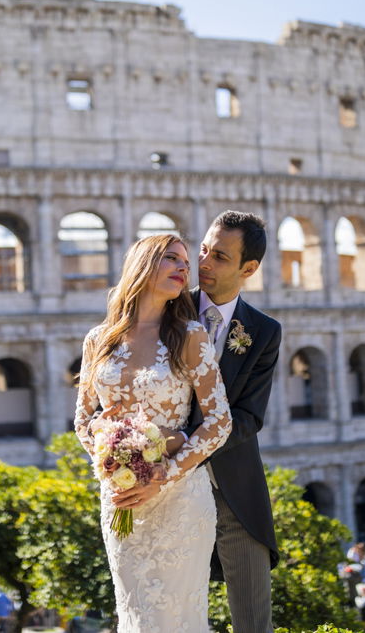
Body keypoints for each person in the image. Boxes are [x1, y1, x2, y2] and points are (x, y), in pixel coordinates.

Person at [75, 233, 233, 632]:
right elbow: (83, 420)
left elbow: (219, 422)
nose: (184, 267)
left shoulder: (190, 335)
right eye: (171, 258)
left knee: (177, 617)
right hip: (122, 497)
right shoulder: (99, 340)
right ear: (143, 264)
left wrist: (163, 474)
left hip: (180, 499)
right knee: (135, 615)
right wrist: (108, 453)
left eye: (185, 261)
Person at [182, 210, 283, 633]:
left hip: (235, 492)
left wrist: (191, 447)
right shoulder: (166, 310)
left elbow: (249, 417)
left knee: (254, 621)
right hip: (168, 486)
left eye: (220, 256)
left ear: (249, 268)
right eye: (203, 249)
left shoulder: (263, 331)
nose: (204, 262)